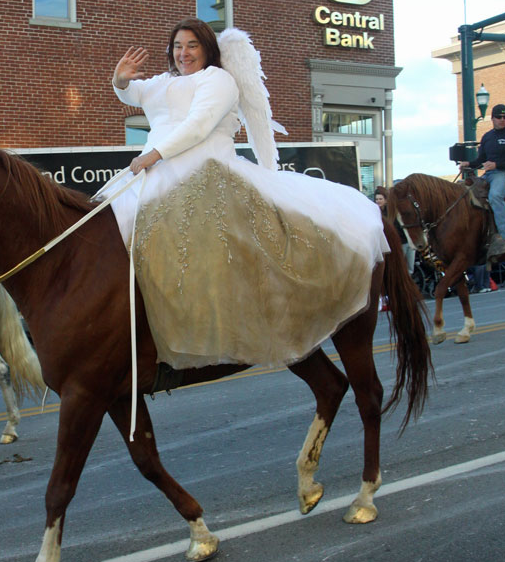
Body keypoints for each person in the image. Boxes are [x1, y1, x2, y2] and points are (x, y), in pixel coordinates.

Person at [109, 19, 389, 369]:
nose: (184, 53)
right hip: (157, 172)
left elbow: (198, 125)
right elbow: (133, 93)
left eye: (192, 45)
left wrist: (155, 153)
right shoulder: (164, 82)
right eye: (178, 45)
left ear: (208, 48)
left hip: (205, 167)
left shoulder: (219, 79)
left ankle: (211, 322)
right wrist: (121, 80)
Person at [459, 104, 505, 259]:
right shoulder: (487, 137)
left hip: (504, 174)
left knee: (495, 196)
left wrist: (497, 165)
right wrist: (469, 164)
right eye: (499, 117)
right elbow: (481, 160)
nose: (502, 120)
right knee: (464, 192)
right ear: (492, 118)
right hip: (487, 175)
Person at [375, 185, 414, 276]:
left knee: (410, 267)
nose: (378, 201)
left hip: (406, 241)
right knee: (399, 267)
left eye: (380, 199)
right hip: (397, 243)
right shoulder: (377, 213)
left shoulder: (393, 211)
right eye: (377, 199)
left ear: (386, 200)